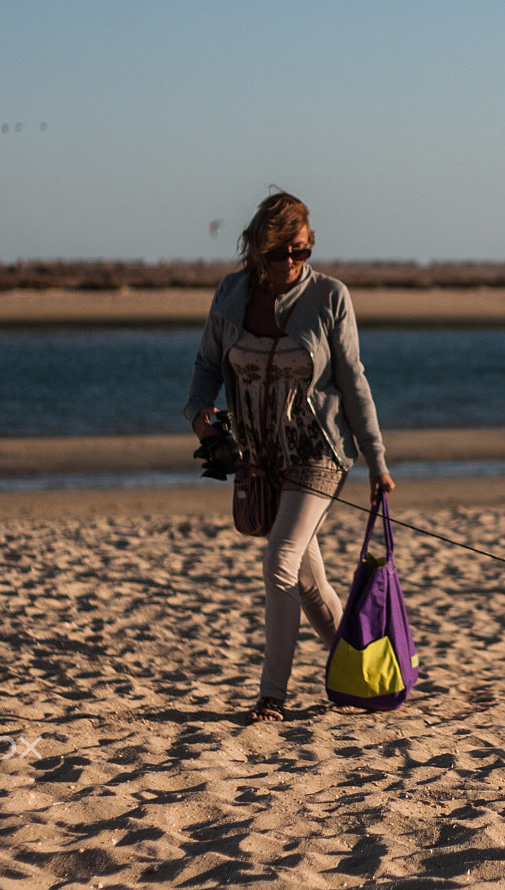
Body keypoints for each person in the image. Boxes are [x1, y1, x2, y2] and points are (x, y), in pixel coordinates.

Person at [185, 190, 396, 724]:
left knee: (279, 559)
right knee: (306, 580)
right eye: (281, 253)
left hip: (318, 452)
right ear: (258, 250)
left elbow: (353, 381)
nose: (292, 263)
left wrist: (377, 459)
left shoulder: (330, 297)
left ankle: (272, 696)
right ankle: (362, 669)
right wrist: (199, 414)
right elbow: (208, 365)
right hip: (259, 455)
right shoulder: (231, 294)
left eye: (302, 251)